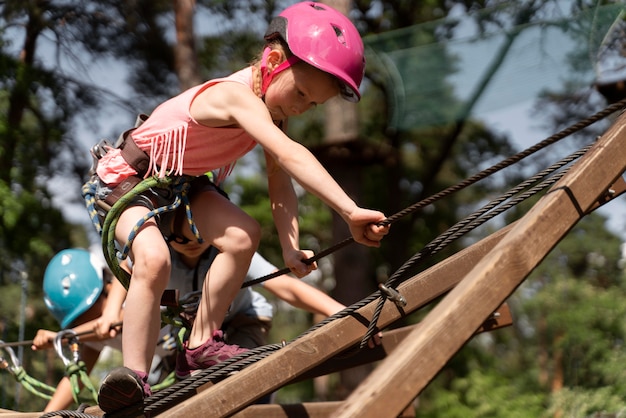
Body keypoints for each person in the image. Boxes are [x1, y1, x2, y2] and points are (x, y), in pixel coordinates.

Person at [86, 2, 389, 414]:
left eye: (312, 105)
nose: (301, 108)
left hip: (179, 188)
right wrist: (350, 211)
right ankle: (133, 378)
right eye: (300, 93)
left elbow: (280, 182)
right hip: (129, 180)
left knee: (243, 233)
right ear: (274, 61)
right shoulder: (234, 96)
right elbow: (291, 155)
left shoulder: (271, 114)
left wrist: (289, 246)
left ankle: (199, 343)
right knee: (153, 258)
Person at [34, 243, 360, 412]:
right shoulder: (118, 312)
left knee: (246, 383)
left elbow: (288, 288)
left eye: (92, 311)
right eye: (78, 321)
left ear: (107, 289)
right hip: (190, 343)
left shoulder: (227, 253)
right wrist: (47, 414)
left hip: (238, 323)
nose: (88, 322)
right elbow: (74, 374)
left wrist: (347, 314)